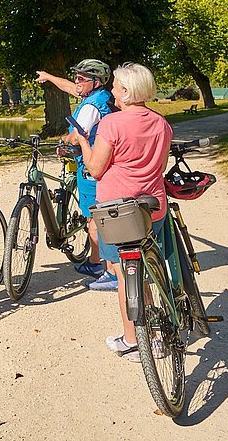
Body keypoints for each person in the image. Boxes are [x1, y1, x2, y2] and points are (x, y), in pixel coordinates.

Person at [62, 62, 173, 363]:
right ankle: (159, 335)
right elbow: (159, 167)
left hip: (118, 211)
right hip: (152, 207)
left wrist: (84, 142)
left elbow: (96, 169)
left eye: (116, 87)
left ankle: (133, 339)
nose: (112, 91)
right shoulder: (162, 123)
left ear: (125, 91)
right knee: (149, 270)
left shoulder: (113, 124)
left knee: (127, 275)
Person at [36, 58, 116, 288]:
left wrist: (62, 142)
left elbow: (76, 135)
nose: (76, 81)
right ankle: (94, 261)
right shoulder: (99, 96)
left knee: (95, 216)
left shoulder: (91, 107)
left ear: (97, 81)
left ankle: (108, 271)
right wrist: (49, 77)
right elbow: (70, 87)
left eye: (82, 78)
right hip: (98, 161)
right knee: (96, 215)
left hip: (92, 164)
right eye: (76, 76)